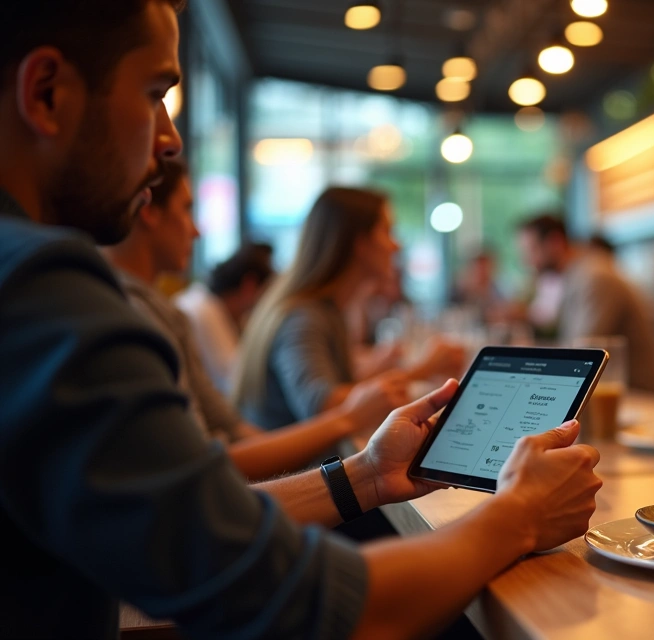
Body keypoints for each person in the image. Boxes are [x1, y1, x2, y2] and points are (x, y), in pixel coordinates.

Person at [0, 2, 602, 638]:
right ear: (46, 94)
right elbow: (306, 605)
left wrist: (366, 475)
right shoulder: (38, 288)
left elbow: (196, 523)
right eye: (156, 94)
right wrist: (520, 515)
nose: (171, 138)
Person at [101, 160, 415, 481]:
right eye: (187, 209)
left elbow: (230, 430)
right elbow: (319, 403)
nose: (197, 230)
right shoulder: (304, 315)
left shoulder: (169, 314)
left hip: (260, 487)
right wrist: (414, 375)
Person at [233, 187, 466, 430]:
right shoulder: (304, 317)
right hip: (294, 467)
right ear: (360, 243)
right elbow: (322, 405)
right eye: (387, 232)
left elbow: (335, 389)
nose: (395, 246)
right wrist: (422, 370)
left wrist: (379, 372)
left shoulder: (327, 310)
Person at [517, 214, 654, 393]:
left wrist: (525, 363)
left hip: (636, 396)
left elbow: (582, 354)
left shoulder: (595, 278)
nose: (527, 261)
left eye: (531, 251)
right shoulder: (577, 275)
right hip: (611, 392)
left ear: (554, 243)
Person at [176, 241, 274, 394]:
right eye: (265, 295)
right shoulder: (203, 310)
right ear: (250, 285)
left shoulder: (205, 300)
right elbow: (234, 383)